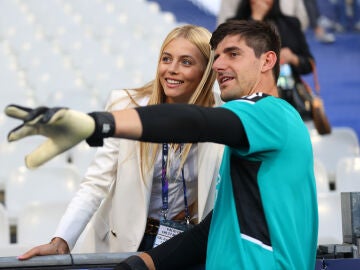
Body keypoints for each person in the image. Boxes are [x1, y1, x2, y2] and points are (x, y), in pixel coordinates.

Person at [5, 19, 318, 269]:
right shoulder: (253, 126)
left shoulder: (265, 112)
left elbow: (196, 122)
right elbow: (214, 226)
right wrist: (145, 262)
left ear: (268, 61)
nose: (220, 64)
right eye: (217, 55)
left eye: (232, 54)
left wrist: (100, 123)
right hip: (142, 245)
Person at [15, 24, 224, 259]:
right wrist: (62, 239)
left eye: (186, 62)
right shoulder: (126, 105)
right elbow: (96, 183)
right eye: (166, 59)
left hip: (185, 243)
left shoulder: (223, 114)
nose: (172, 69)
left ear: (206, 70)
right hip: (127, 241)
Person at [230, 0, 317, 121]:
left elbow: (309, 64)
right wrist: (256, 19)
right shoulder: (233, 26)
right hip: (249, 100)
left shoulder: (290, 23)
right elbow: (233, 61)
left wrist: (293, 58)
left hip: (289, 99)